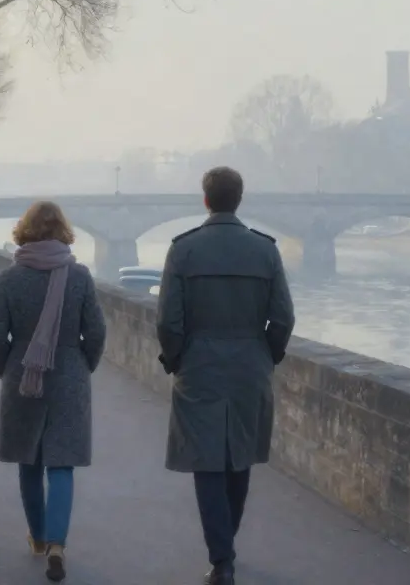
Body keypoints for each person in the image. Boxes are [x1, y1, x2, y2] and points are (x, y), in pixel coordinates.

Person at [155, 167, 295, 585]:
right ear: (239, 199)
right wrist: (265, 354)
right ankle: (226, 544)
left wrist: (177, 358)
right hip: (250, 366)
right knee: (240, 458)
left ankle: (222, 559)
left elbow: (168, 321)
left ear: (205, 200)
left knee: (207, 462)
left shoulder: (184, 251)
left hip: (199, 366)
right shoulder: (265, 251)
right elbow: (283, 317)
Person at [0, 202, 106, 582]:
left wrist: (7, 367)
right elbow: (97, 332)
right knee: (62, 463)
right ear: (63, 232)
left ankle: (37, 538)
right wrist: (82, 363)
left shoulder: (11, 278)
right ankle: (57, 543)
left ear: (25, 232)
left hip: (23, 374)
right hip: (69, 375)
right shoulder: (80, 277)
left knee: (29, 461)